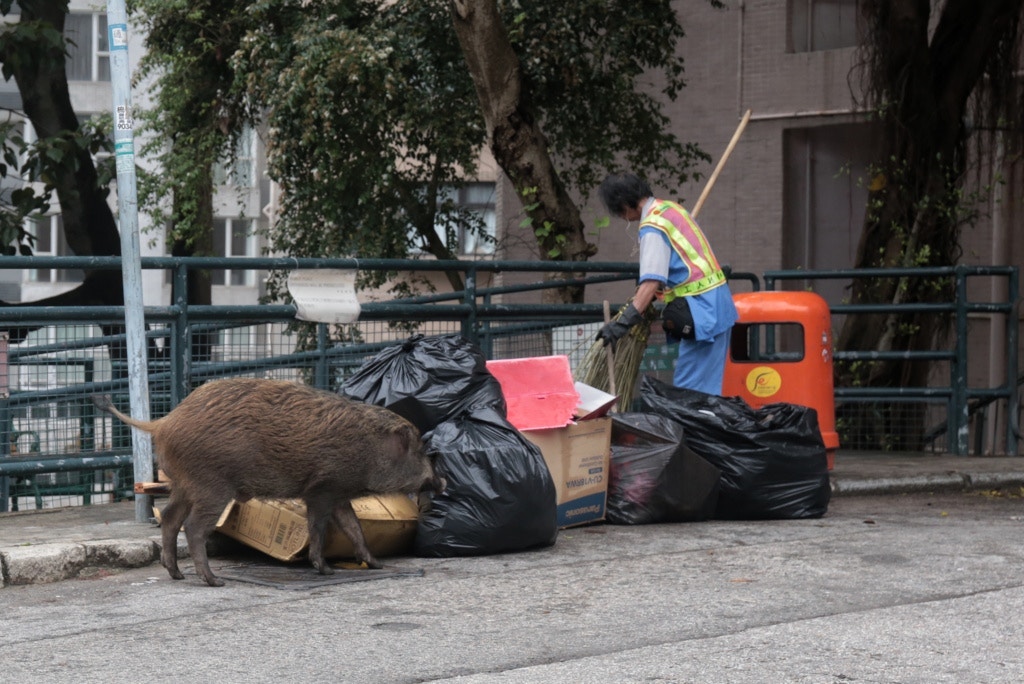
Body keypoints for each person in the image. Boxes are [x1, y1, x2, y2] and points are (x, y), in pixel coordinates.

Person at [596, 172, 738, 395]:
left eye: (620, 211)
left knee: (690, 391)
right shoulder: (671, 209)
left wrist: (622, 323)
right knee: (706, 389)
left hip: (703, 312)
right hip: (717, 304)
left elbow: (652, 281)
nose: (623, 218)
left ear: (624, 203)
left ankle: (694, 430)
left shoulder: (653, 226)